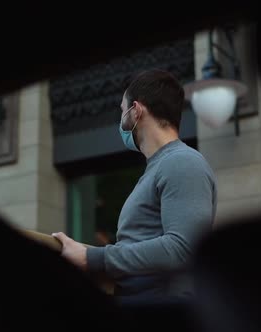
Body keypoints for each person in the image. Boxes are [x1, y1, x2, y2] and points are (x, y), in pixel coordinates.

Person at [52, 69, 217, 303]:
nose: (121, 121)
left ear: (136, 110)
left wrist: (93, 257)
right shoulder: (161, 166)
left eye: (122, 111)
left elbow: (183, 247)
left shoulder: (182, 162)